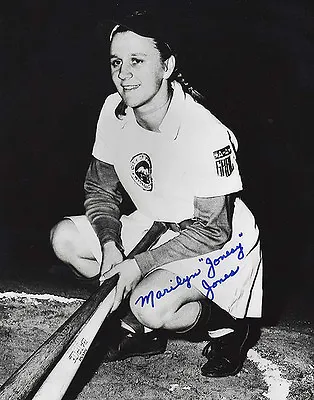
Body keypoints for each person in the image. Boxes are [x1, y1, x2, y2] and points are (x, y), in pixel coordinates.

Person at [50, 10, 263, 378]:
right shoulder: (113, 111)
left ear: (167, 66)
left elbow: (214, 230)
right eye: (117, 61)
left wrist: (137, 266)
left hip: (219, 242)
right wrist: (110, 245)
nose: (123, 74)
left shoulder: (205, 132)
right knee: (65, 239)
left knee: (149, 303)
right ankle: (145, 334)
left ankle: (227, 324)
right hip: (156, 223)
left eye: (137, 61)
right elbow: (100, 189)